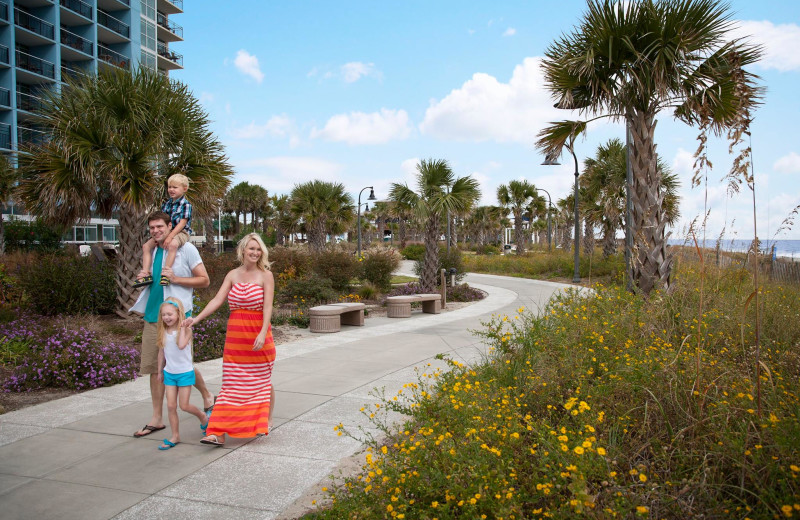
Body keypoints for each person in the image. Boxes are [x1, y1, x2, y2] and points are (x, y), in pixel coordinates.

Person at [183, 232, 275, 446]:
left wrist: (262, 332)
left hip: (258, 337)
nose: (254, 252)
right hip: (235, 338)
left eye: (258, 249)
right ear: (243, 250)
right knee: (231, 386)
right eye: (251, 248)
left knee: (261, 383)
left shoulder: (265, 275)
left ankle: (264, 421)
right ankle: (217, 432)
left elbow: (268, 306)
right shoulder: (232, 274)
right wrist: (196, 318)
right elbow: (217, 299)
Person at [130, 211, 214, 438]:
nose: (156, 231)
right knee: (154, 369)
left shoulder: (185, 249)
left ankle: (206, 394)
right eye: (152, 228)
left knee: (182, 363)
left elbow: (204, 280)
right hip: (152, 317)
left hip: (178, 318)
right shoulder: (153, 250)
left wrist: (176, 278)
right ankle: (157, 419)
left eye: (160, 227)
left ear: (170, 226)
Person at [155, 297, 209, 450]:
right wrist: (160, 371)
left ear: (178, 314)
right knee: (171, 406)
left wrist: (184, 328)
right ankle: (175, 435)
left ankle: (203, 417)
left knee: (184, 405)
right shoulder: (162, 331)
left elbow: (180, 346)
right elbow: (161, 353)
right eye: (164, 315)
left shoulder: (186, 330)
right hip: (170, 373)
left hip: (184, 373)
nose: (167, 317)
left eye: (170, 314)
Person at [134, 174, 193, 288]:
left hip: (181, 232)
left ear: (184, 189)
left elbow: (182, 223)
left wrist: (170, 236)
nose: (171, 190)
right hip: (165, 231)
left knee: (173, 245)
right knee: (146, 246)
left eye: (175, 187)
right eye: (169, 187)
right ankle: (146, 273)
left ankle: (166, 273)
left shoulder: (186, 204)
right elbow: (161, 219)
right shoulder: (166, 204)